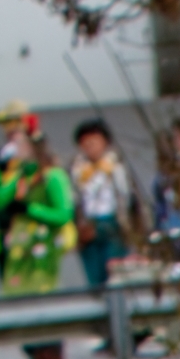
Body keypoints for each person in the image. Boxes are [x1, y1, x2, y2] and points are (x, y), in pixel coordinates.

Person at [0, 111, 72, 294]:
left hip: (42, 247)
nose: (17, 149)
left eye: (21, 144)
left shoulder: (53, 175)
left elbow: (63, 214)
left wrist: (30, 209)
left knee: (40, 293)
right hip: (18, 247)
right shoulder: (22, 175)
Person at [69, 120, 137, 295]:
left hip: (113, 224)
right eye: (85, 142)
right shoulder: (77, 170)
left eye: (94, 140)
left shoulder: (116, 166)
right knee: (94, 278)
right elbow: (74, 200)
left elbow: (127, 197)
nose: (90, 146)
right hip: (88, 228)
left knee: (115, 276)